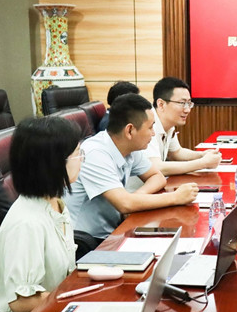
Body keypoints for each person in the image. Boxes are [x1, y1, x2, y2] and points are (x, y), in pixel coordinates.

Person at [0, 117, 82, 312]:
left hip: (50, 307)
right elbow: (21, 301)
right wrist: (76, 301)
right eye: (78, 153)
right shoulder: (27, 223)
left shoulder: (54, 203)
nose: (82, 159)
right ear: (54, 163)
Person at [64, 93, 198, 240]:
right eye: (150, 128)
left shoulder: (130, 147)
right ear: (130, 130)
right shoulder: (94, 153)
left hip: (116, 230)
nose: (153, 134)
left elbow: (157, 177)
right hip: (88, 241)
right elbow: (124, 204)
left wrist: (136, 197)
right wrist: (176, 197)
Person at [147, 77, 221, 175]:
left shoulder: (168, 124)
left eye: (189, 103)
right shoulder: (146, 124)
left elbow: (176, 153)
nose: (187, 110)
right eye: (182, 103)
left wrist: (202, 155)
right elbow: (157, 168)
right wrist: (203, 163)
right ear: (161, 104)